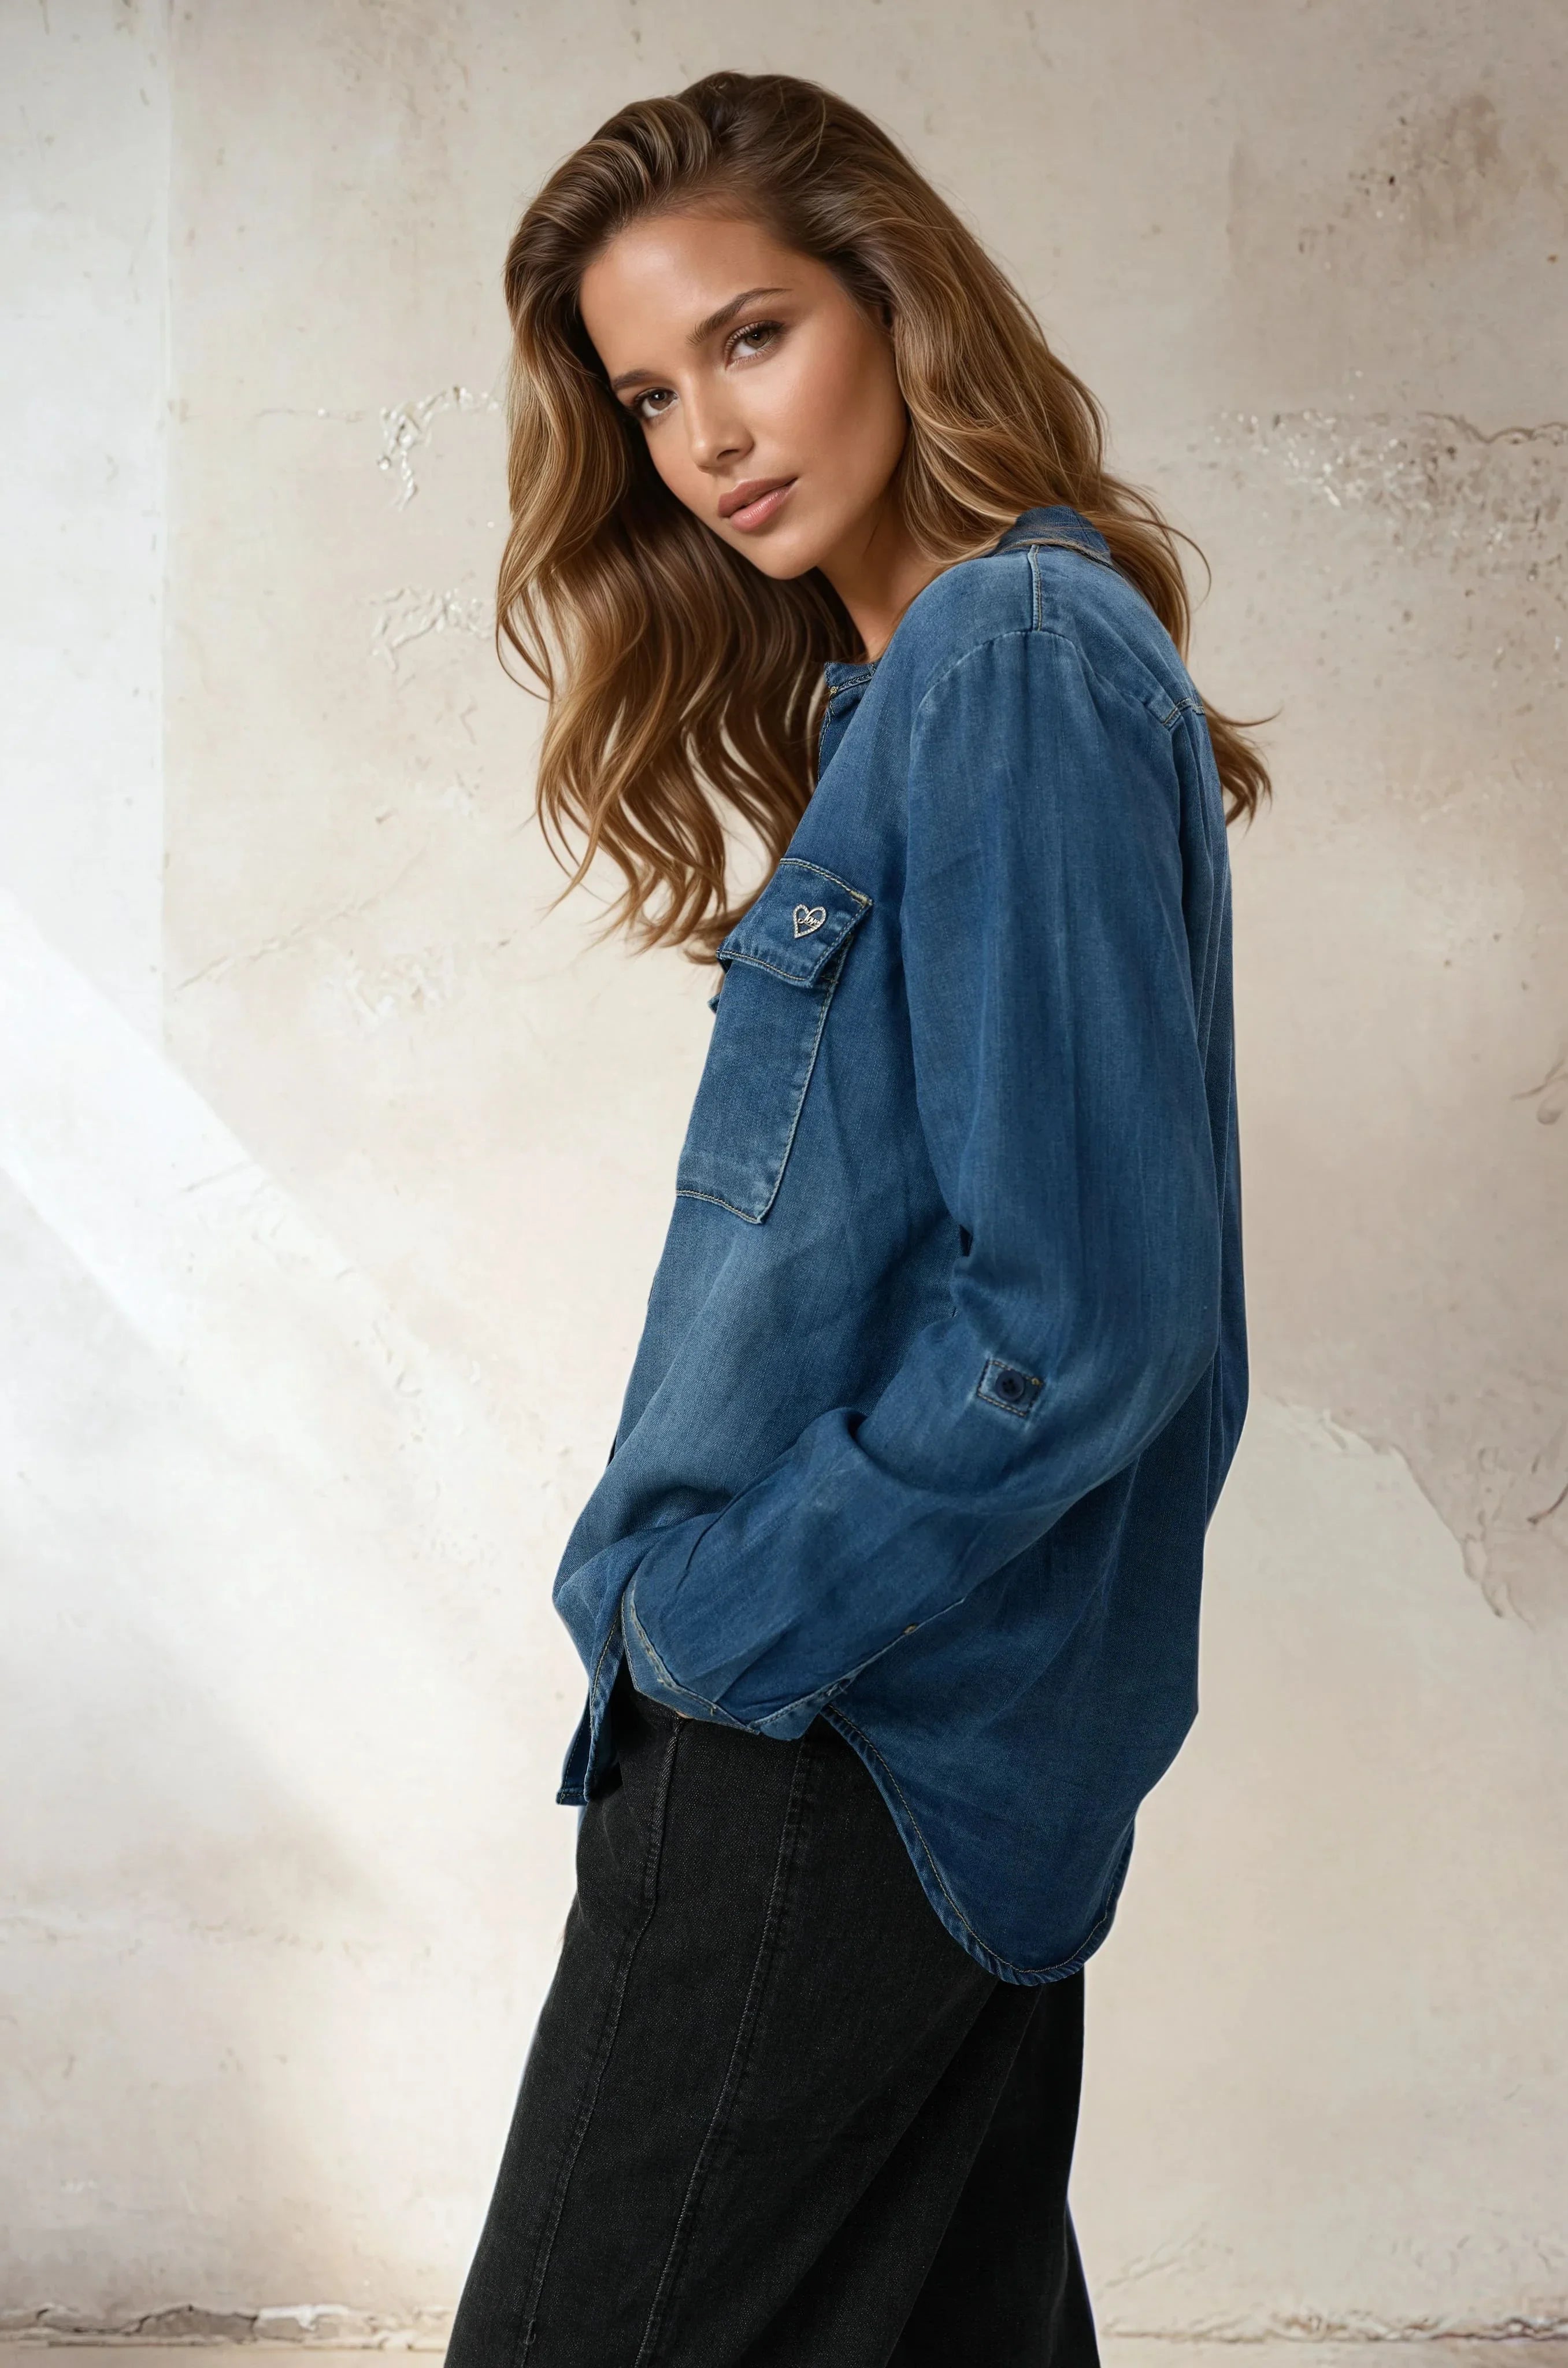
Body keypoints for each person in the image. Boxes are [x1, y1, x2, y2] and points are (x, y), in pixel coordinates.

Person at [446, 68, 1265, 2368]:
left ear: (894, 303)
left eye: (750, 336)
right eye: (645, 396)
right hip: (915, 1737)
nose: (705, 437)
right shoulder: (925, 686)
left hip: (837, 1741)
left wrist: (722, 1625)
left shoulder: (1005, 657)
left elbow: (1075, 1321)